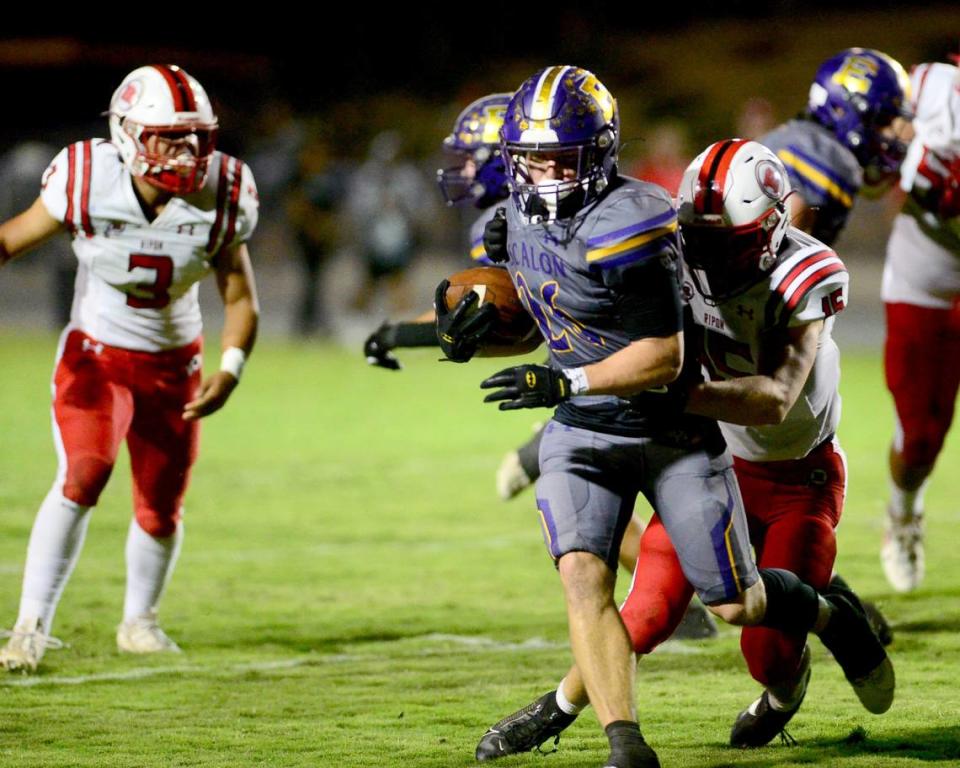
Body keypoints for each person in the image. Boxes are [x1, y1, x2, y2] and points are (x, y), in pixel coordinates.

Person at [446, 66, 892, 768]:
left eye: (731, 240)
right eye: (698, 235)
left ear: (775, 227)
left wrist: (659, 390)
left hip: (793, 468)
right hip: (717, 449)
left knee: (757, 636)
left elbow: (772, 398)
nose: (710, 254)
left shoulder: (804, 274)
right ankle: (563, 711)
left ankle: (825, 627)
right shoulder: (668, 237)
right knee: (642, 608)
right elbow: (587, 314)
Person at [0, 64, 259, 672]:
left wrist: (232, 365)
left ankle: (139, 621)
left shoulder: (223, 191)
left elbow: (240, 294)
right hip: (97, 356)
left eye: (196, 136)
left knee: (161, 506)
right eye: (170, 136)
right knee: (83, 476)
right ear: (128, 135)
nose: (188, 150)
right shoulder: (87, 178)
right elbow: (11, 239)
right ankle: (30, 626)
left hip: (176, 365)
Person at [880, 59, 960, 592]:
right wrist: (897, 150)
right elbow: (874, 151)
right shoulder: (932, 84)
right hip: (925, 287)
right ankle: (903, 513)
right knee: (922, 438)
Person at [362, 92, 513, 371]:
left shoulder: (506, 221)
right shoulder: (503, 216)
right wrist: (396, 335)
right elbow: (473, 310)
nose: (466, 172)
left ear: (500, 158)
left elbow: (499, 318)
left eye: (472, 159)